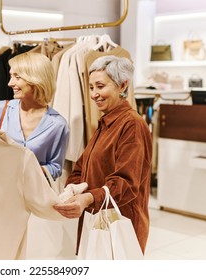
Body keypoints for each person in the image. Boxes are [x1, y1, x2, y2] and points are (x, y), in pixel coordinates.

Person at [53, 55, 152, 255]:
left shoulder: (131, 125)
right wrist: (74, 186)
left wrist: (88, 198)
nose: (94, 94)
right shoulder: (106, 123)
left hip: (121, 221)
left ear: (123, 85)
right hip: (97, 217)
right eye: (91, 88)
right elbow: (83, 166)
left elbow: (126, 182)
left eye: (100, 86)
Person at [0, 52, 69, 181]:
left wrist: (31, 169)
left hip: (36, 195)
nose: (10, 83)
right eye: (11, 76)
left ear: (35, 79)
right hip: (0, 190)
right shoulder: (0, 110)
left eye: (17, 77)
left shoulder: (58, 124)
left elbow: (56, 167)